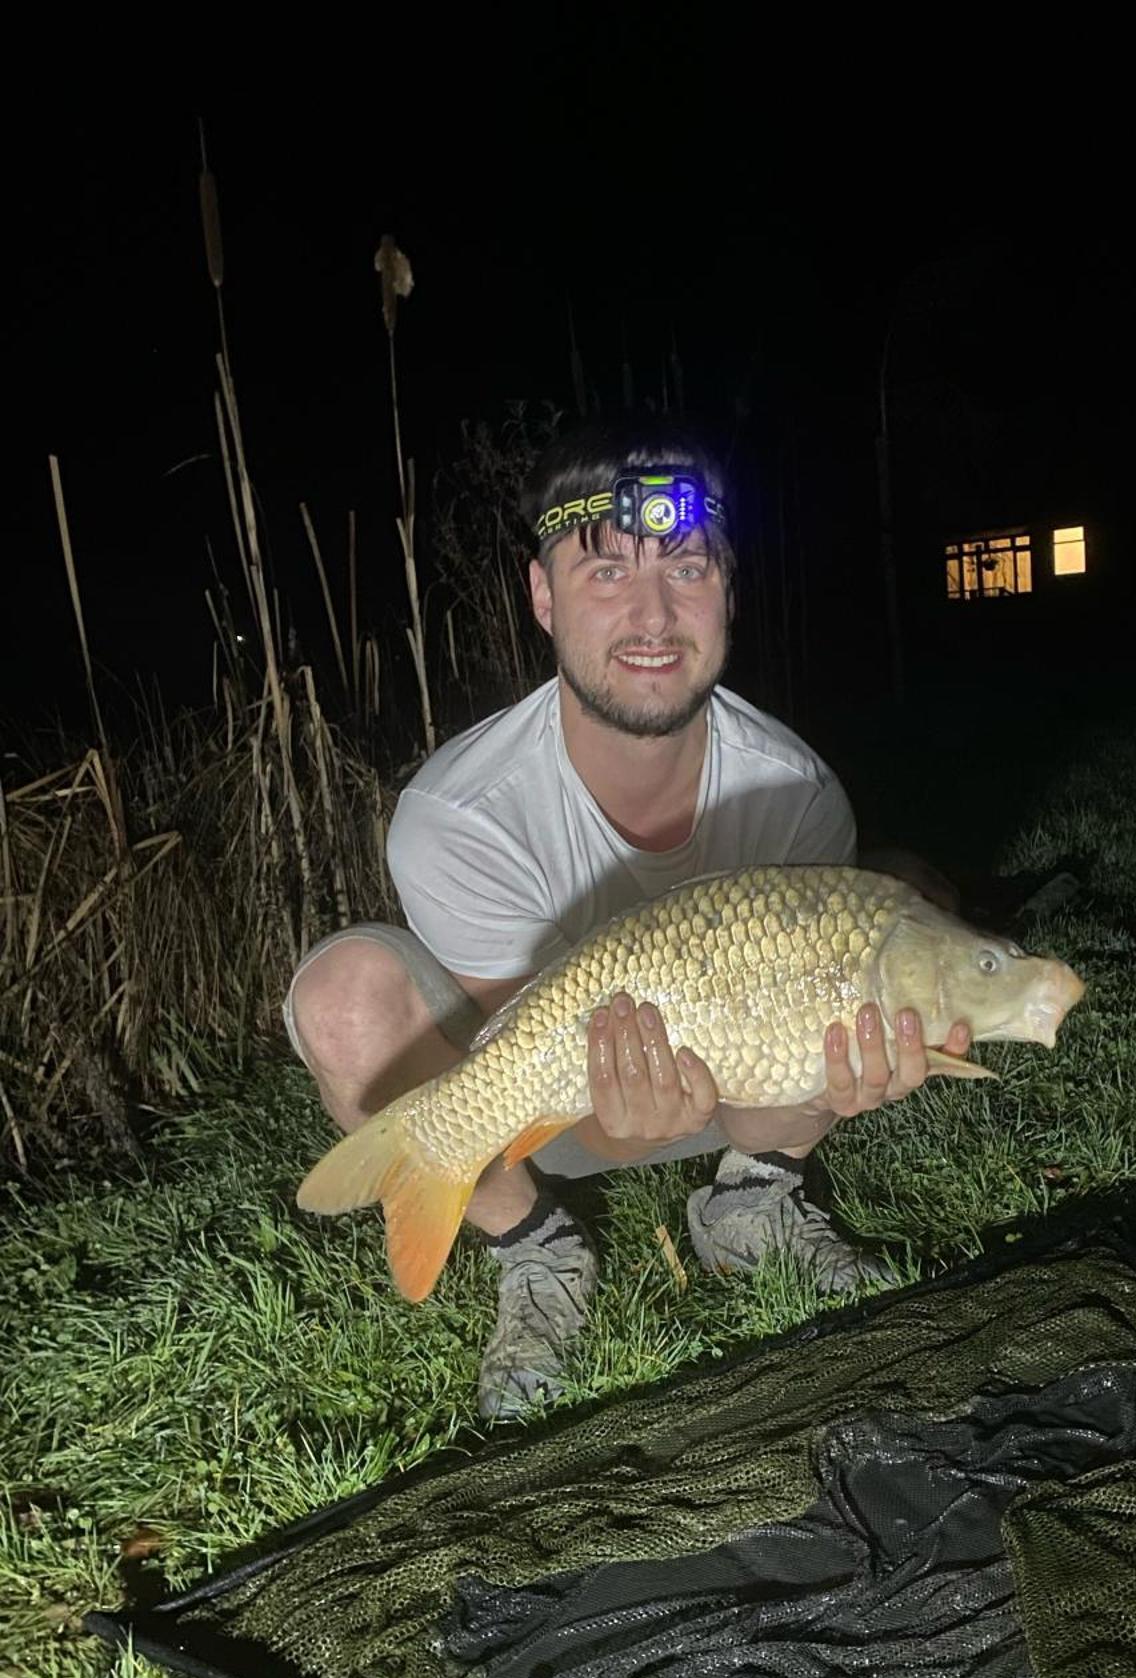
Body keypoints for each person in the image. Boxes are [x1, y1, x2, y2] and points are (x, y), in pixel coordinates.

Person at [284, 420, 970, 1418]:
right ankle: (535, 1249)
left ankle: (752, 1199)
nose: (652, 614)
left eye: (687, 569)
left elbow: (818, 1040)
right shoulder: (456, 811)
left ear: (728, 595)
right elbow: (519, 1058)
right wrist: (613, 1120)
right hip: (546, 1106)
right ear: (542, 596)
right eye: (605, 573)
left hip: (751, 1100)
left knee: (879, 930)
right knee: (341, 1001)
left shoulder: (796, 790)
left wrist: (857, 1062)